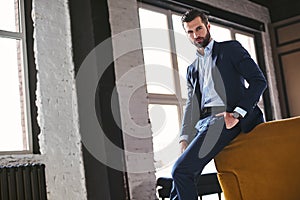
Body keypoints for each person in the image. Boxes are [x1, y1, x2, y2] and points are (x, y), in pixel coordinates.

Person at [170, 9, 267, 200]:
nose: (195, 35)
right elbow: (192, 104)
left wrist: (237, 115)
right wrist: (184, 136)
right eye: (190, 32)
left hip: (225, 120)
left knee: (180, 171)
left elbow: (258, 81)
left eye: (198, 29)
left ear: (208, 26)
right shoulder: (192, 69)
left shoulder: (230, 49)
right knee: (177, 186)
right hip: (204, 124)